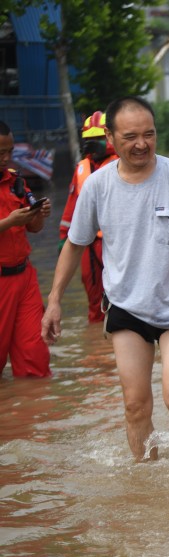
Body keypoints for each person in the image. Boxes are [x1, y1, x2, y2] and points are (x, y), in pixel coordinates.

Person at [41, 96, 169, 462]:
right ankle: (147, 480)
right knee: (135, 405)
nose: (141, 144)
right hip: (126, 306)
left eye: (149, 134)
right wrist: (53, 302)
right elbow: (74, 244)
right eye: (130, 136)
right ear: (111, 139)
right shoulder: (97, 186)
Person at [0, 121, 52, 378]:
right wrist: (9, 222)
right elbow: (12, 224)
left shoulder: (15, 181)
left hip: (24, 277)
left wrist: (38, 215)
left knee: (35, 358)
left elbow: (33, 228)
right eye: (1, 153)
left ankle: (34, 413)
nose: (7, 158)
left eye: (9, 151)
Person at [59, 110, 117, 323]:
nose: (92, 145)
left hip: (117, 243)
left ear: (110, 137)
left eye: (98, 139)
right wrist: (64, 237)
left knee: (127, 300)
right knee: (95, 302)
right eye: (89, 139)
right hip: (89, 245)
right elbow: (71, 207)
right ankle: (98, 350)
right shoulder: (82, 168)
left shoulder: (125, 164)